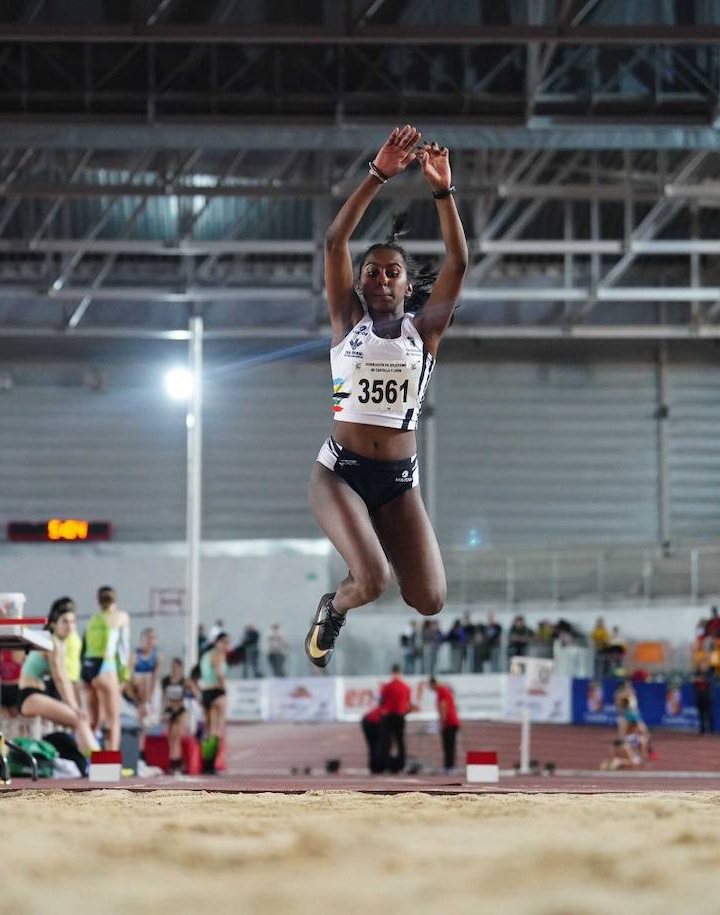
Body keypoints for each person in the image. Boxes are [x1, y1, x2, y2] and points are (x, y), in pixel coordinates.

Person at [304, 124, 468, 669]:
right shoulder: (346, 322)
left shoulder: (426, 334)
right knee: (371, 580)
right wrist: (377, 175)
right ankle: (335, 605)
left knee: (430, 600)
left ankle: (359, 580)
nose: (378, 278)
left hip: (399, 483)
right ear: (360, 283)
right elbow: (334, 242)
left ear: (404, 284)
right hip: (341, 473)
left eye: (390, 272)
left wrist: (442, 191)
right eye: (370, 271)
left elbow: (459, 263)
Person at [16, 602, 100, 776]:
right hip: (30, 696)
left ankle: (97, 767)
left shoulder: (55, 643)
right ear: (54, 623)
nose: (70, 626)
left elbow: (66, 680)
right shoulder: (52, 643)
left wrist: (74, 706)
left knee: (79, 719)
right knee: (79, 719)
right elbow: (60, 679)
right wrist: (74, 707)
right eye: (65, 622)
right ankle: (102, 767)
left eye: (73, 622)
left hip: (35, 696)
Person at [82, 585, 131, 755]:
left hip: (87, 667)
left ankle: (91, 760)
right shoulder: (120, 616)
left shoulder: (92, 619)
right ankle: (109, 763)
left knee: (94, 721)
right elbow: (124, 648)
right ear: (115, 601)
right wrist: (124, 675)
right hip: (105, 665)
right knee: (113, 719)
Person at [199, 632, 230, 773]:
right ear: (217, 642)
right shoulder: (217, 656)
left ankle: (207, 763)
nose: (225, 645)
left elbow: (201, 674)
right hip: (216, 691)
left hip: (206, 692)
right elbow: (219, 674)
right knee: (217, 729)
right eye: (223, 642)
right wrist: (223, 686)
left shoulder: (206, 655)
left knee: (209, 729)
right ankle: (210, 764)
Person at [161, 658, 198, 773]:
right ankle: (174, 762)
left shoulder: (184, 681)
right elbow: (163, 698)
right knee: (170, 738)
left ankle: (176, 763)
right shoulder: (166, 680)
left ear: (180, 668)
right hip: (169, 710)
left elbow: (195, 693)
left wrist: (191, 689)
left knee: (177, 736)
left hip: (180, 710)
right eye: (172, 667)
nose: (174, 669)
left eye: (176, 667)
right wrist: (162, 712)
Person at [614, 679, 654, 762]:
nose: (629, 687)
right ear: (623, 686)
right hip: (625, 716)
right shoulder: (619, 694)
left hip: (635, 715)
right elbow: (621, 706)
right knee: (624, 737)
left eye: (630, 685)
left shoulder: (632, 692)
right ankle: (629, 755)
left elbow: (634, 704)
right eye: (627, 685)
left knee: (645, 733)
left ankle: (648, 750)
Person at [430, 675, 461, 773]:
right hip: (450, 721)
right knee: (448, 745)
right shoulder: (443, 690)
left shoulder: (441, 691)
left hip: (450, 722)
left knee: (449, 745)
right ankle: (448, 765)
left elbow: (444, 706)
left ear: (433, 684)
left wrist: (442, 722)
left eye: (430, 686)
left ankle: (450, 766)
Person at [131, 627, 161, 725]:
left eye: (153, 638)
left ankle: (147, 705)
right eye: (148, 638)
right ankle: (141, 705)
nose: (150, 641)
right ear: (142, 641)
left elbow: (156, 676)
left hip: (150, 685)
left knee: (149, 678)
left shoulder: (157, 655)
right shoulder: (135, 655)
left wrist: (149, 696)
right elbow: (129, 676)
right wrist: (137, 699)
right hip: (137, 685)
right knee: (142, 678)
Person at [691, 662, 714, 736]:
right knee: (700, 714)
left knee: (708, 714)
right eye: (701, 666)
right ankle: (702, 730)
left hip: (707, 697)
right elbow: (693, 682)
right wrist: (697, 680)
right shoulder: (697, 674)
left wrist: (701, 680)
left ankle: (710, 730)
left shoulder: (709, 674)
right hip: (699, 696)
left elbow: (709, 682)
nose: (702, 667)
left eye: (704, 666)